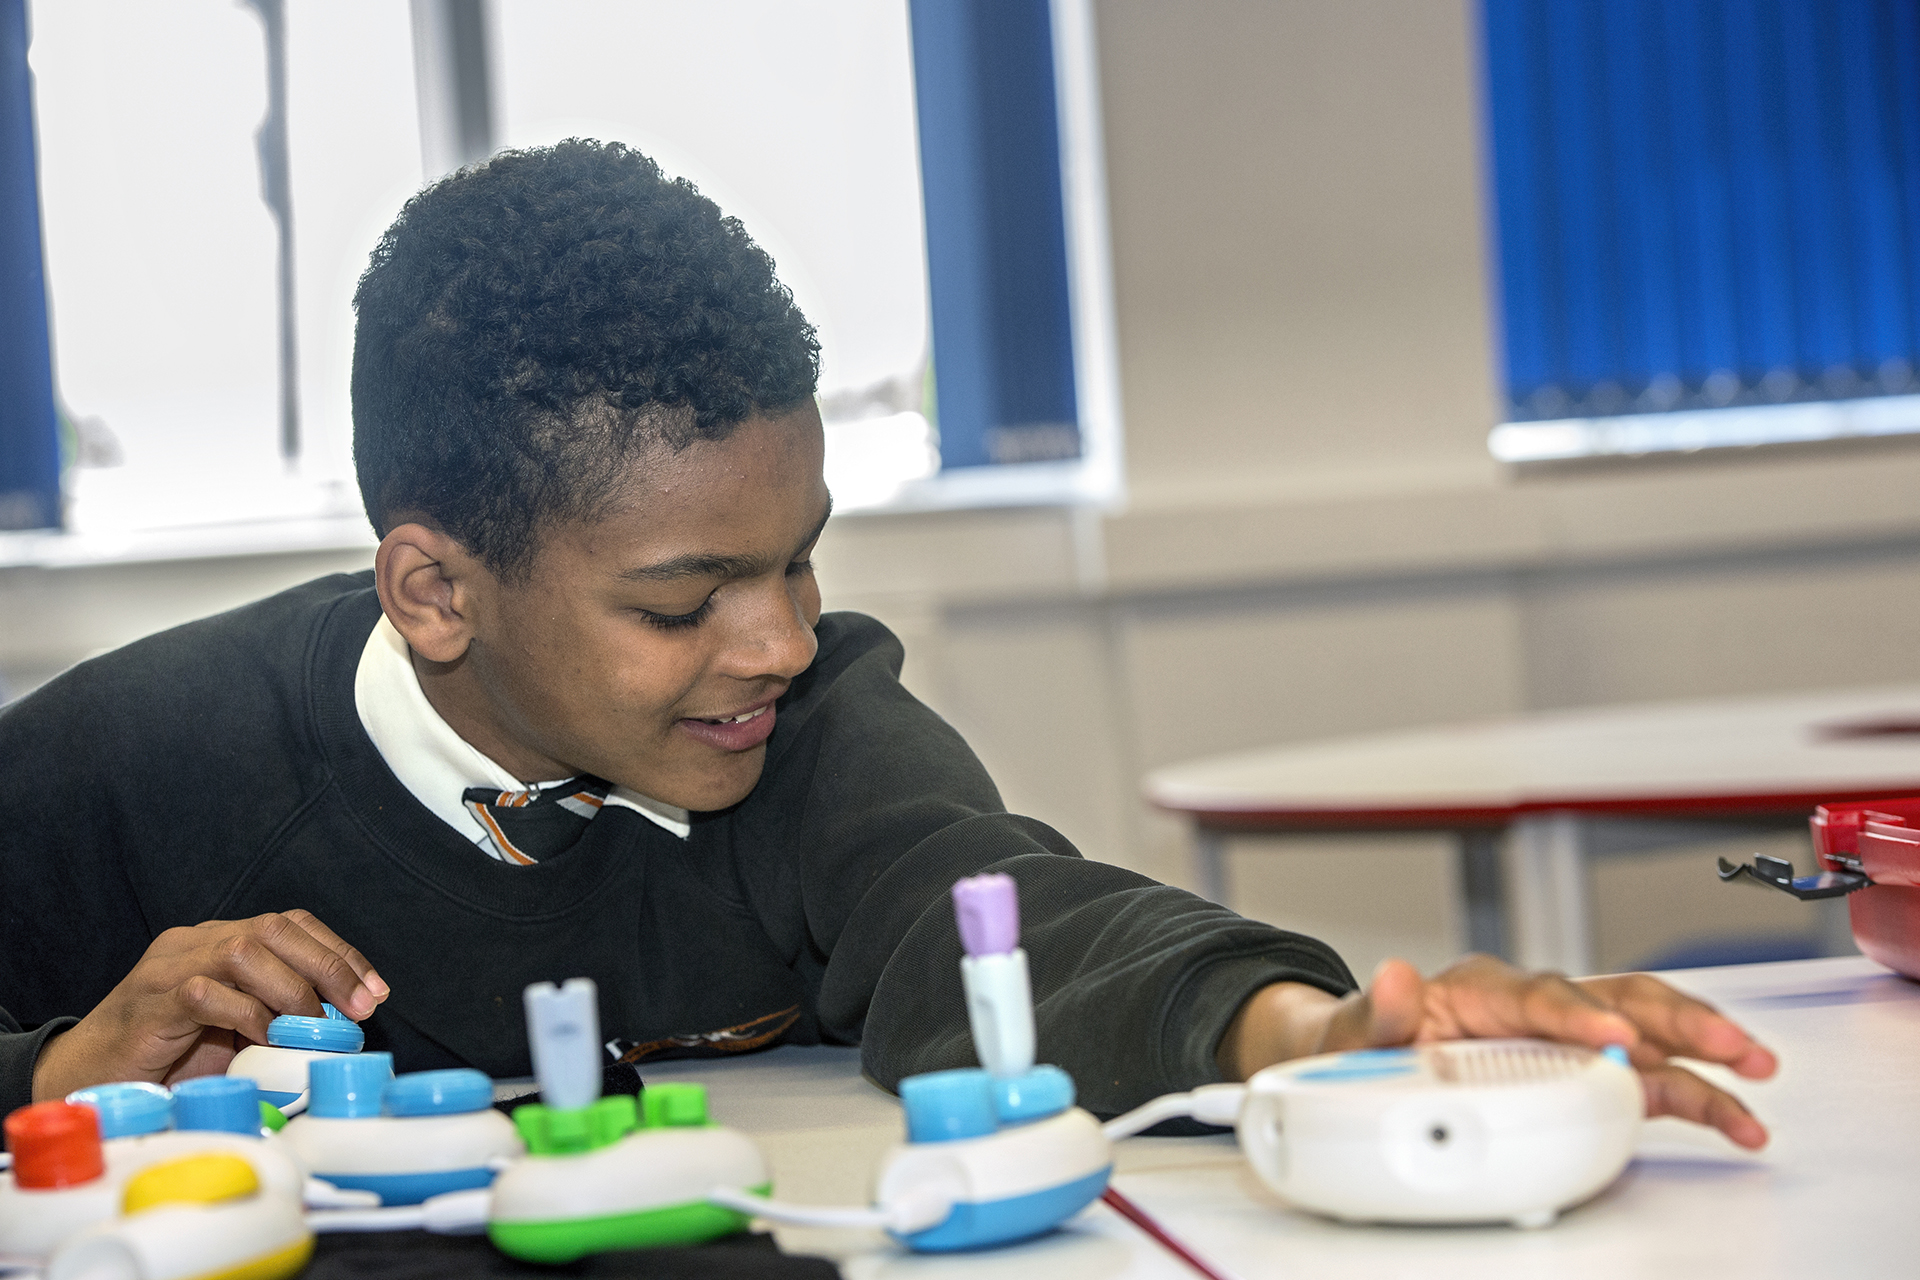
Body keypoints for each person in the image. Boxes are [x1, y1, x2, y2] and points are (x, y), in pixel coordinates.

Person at [0, 141, 1772, 1148]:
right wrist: (57, 1073)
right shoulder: (131, 762)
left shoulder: (809, 726)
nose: (781, 639)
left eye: (803, 560)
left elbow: (992, 908)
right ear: (435, 593)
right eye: (682, 602)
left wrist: (1296, 1031)